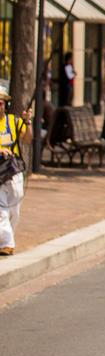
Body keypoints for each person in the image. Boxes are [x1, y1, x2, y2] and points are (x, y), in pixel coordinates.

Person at [0, 81, 33, 256]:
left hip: (13, 172)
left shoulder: (14, 121)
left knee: (14, 210)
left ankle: (8, 239)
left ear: (6, 104)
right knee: (1, 210)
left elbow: (27, 139)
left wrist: (28, 123)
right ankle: (6, 243)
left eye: (1, 102)